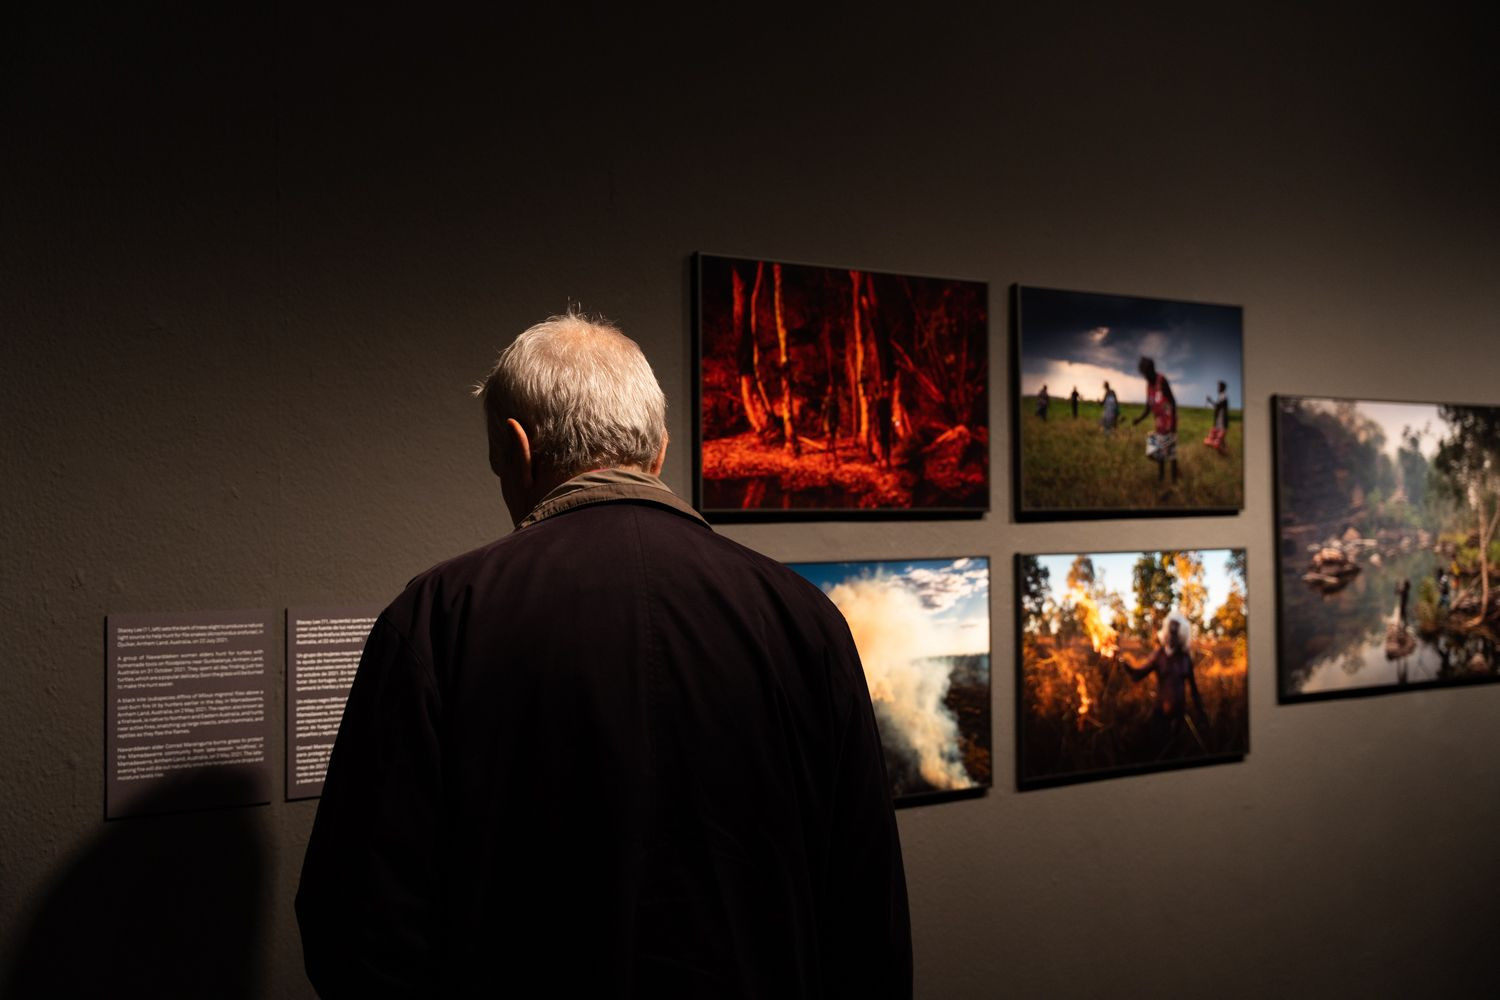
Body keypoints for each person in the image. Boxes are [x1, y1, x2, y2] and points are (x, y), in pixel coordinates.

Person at [296, 312, 911, 997]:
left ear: (515, 447)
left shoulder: (439, 615)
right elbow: (866, 911)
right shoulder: (804, 615)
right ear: (660, 450)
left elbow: (360, 917)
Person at [1109, 612, 1207, 755]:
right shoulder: (1159, 655)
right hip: (1160, 717)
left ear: (1181, 634)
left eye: (1176, 632)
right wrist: (1123, 663)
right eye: (1171, 631)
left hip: (1179, 718)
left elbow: (1194, 690)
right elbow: (1138, 675)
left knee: (1176, 753)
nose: (1173, 635)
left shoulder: (1185, 658)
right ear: (1166, 632)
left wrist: (1202, 715)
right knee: (1159, 750)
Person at [1131, 356, 1178, 489]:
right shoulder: (1149, 386)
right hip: (1159, 424)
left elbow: (1173, 402)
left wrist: (1173, 424)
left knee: (1171, 453)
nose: (1145, 376)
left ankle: (1174, 481)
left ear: (1152, 370)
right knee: (1156, 453)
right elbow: (1148, 406)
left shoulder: (1161, 380)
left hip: (1169, 422)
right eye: (1143, 374)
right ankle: (1161, 476)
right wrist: (1139, 419)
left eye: (1146, 373)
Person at [1203, 380, 1229, 454]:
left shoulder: (1223, 396)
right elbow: (1217, 407)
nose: (1217, 388)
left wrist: (1210, 400)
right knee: (1220, 439)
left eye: (1219, 387)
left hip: (1222, 422)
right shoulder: (1221, 396)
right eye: (1218, 387)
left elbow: (1217, 406)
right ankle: (1225, 453)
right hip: (1219, 421)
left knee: (1219, 440)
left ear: (1223, 388)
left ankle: (1223, 454)